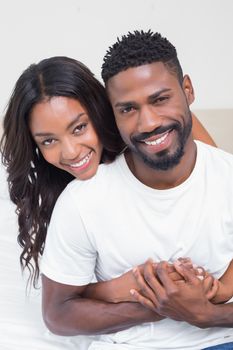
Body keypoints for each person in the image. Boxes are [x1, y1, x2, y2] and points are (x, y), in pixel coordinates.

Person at [39, 30, 233, 349]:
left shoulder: (224, 175)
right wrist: (159, 304)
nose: (148, 122)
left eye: (160, 98)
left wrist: (208, 314)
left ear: (188, 90)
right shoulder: (81, 201)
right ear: (112, 114)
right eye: (127, 109)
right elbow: (58, 314)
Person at [0, 55, 214, 290]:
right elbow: (64, 298)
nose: (70, 152)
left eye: (80, 127)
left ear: (100, 111)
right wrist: (119, 288)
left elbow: (219, 187)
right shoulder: (66, 193)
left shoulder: (156, 132)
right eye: (49, 141)